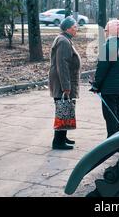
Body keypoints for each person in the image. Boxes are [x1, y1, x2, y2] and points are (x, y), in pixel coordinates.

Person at [91, 19, 119, 138]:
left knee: (110, 114)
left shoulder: (107, 46)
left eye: (107, 30)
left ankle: (112, 139)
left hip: (109, 88)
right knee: (118, 111)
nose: (105, 32)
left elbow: (102, 69)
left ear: (111, 32)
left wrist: (96, 85)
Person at [48, 16, 81, 150]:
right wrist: (66, 87)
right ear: (68, 28)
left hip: (64, 83)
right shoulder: (63, 41)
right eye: (74, 27)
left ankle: (63, 137)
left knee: (65, 110)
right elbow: (62, 65)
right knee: (63, 110)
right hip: (63, 84)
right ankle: (58, 142)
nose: (76, 29)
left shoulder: (65, 39)